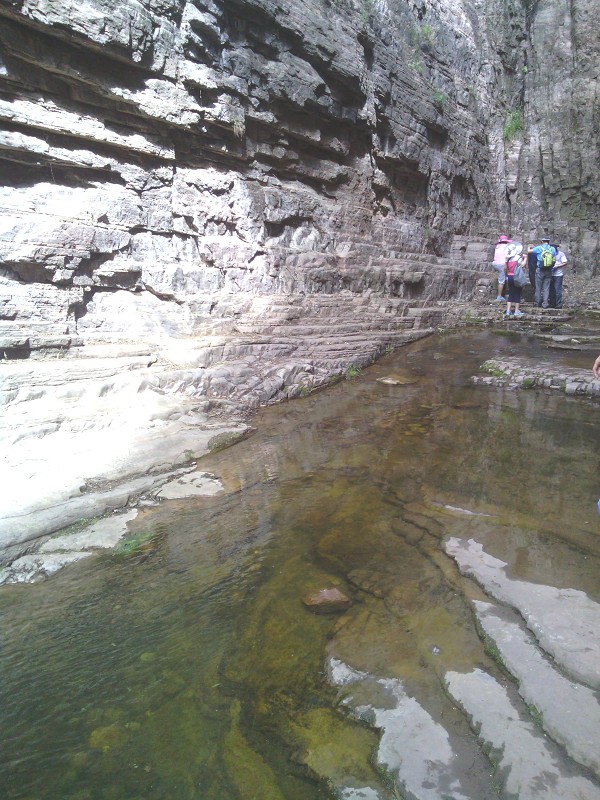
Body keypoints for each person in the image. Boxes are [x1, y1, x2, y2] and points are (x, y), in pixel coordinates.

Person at [531, 236, 556, 308]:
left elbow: (530, 252)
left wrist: (529, 248)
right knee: (546, 287)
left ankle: (537, 302)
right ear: (548, 242)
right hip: (549, 269)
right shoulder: (552, 249)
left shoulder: (539, 248)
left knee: (538, 287)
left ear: (542, 241)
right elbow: (554, 257)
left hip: (540, 269)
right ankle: (545, 303)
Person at [504, 243, 525, 318]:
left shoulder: (507, 259)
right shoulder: (518, 258)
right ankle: (516, 311)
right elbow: (522, 265)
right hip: (516, 277)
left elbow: (505, 268)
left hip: (509, 276)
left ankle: (508, 311)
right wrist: (525, 258)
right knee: (517, 293)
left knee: (510, 293)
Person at [492, 234, 511, 301]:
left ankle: (506, 293)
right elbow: (508, 256)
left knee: (505, 277)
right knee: (502, 281)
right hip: (502, 264)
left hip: (495, 263)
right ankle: (499, 296)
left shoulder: (497, 246)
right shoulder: (506, 247)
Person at [550, 244, 567, 308]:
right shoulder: (549, 254)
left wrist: (557, 266)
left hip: (558, 274)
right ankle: (552, 303)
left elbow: (565, 262)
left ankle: (558, 304)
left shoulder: (561, 254)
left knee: (557, 289)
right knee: (550, 290)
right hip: (550, 274)